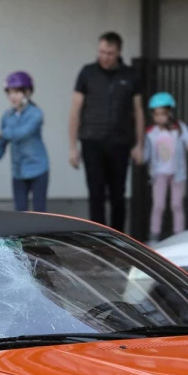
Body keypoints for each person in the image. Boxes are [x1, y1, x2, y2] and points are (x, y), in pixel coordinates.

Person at [69, 31, 145, 232]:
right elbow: (75, 109)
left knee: (118, 195)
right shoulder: (87, 72)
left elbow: (138, 111)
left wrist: (139, 145)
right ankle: (98, 240)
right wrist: (72, 148)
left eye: (109, 53)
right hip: (91, 141)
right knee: (96, 194)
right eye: (101, 52)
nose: (104, 56)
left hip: (120, 142)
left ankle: (118, 239)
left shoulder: (131, 75)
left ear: (118, 52)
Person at [0, 71, 50, 212]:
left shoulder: (36, 113)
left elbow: (22, 132)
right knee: (20, 212)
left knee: (40, 212)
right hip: (18, 171)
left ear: (27, 92)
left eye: (17, 92)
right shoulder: (7, 116)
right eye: (10, 92)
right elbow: (1, 144)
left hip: (38, 168)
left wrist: (1, 133)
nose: (13, 96)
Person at [143, 92, 188, 243]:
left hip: (177, 174)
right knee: (158, 205)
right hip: (159, 174)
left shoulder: (179, 128)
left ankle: (179, 236)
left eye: (163, 114)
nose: (160, 118)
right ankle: (154, 235)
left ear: (170, 113)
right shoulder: (151, 133)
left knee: (177, 204)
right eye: (156, 114)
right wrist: (139, 156)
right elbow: (146, 154)